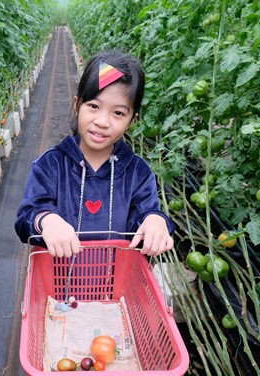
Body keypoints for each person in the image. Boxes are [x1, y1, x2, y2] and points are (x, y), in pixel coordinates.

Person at [14, 50, 175, 257]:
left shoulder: (137, 173)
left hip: (115, 284)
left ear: (132, 120)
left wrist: (156, 221)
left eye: (118, 113)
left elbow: (145, 216)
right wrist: (46, 220)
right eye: (94, 106)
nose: (102, 121)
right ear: (77, 105)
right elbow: (25, 220)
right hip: (59, 282)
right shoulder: (51, 166)